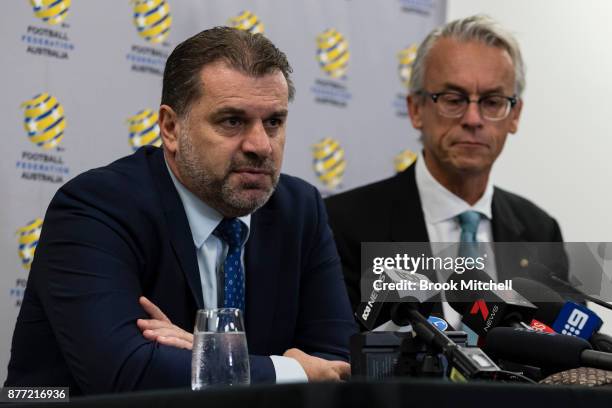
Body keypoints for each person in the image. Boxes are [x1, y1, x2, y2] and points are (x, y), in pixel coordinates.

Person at [5, 27, 356, 394]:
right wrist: (288, 369)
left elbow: (337, 363)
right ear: (171, 128)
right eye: (232, 121)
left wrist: (207, 353)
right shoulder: (96, 208)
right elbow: (124, 372)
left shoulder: (299, 210)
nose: (260, 145)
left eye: (274, 122)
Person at [325, 15, 567, 330]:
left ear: (514, 115)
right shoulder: (343, 225)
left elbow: (564, 356)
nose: (473, 118)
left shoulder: (540, 233)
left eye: (492, 102)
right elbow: (337, 358)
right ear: (415, 109)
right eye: (454, 100)